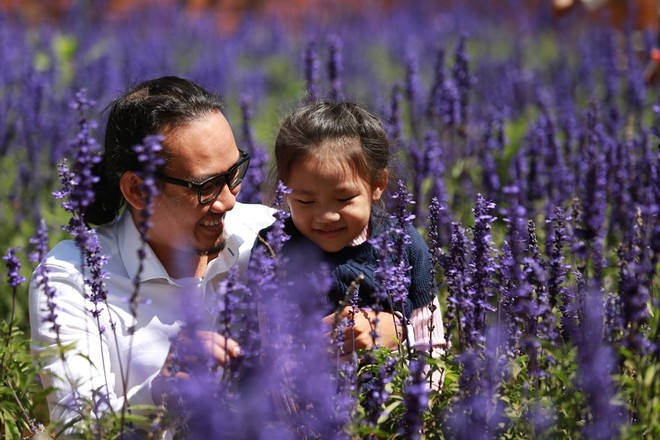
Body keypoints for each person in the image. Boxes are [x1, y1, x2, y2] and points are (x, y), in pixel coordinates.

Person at [28, 76, 277, 436]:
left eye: (234, 173)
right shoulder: (70, 279)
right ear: (137, 189)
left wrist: (386, 325)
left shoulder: (266, 235)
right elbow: (76, 427)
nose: (229, 201)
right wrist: (161, 392)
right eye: (206, 186)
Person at [252, 100, 445, 368]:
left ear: (378, 185)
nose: (326, 216)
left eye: (343, 199)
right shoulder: (273, 250)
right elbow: (274, 360)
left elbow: (431, 346)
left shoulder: (405, 245)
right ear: (285, 191)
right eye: (306, 202)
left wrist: (400, 332)